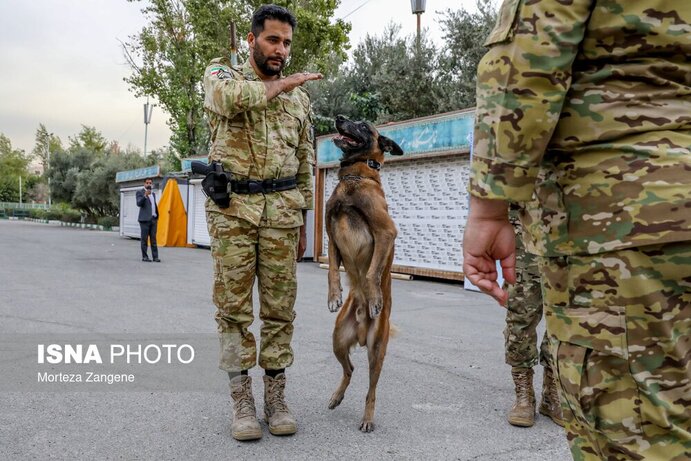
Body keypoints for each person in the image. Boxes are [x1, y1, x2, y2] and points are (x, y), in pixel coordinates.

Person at [463, 1, 690, 459]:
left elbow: (528, 63)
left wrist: (488, 208)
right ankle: (526, 390)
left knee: (633, 437)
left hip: (621, 221)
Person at [202, 4, 322, 441]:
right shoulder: (222, 76)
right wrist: (285, 82)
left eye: (287, 42)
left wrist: (305, 216)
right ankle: (242, 401)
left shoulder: (299, 100)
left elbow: (306, 160)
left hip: (282, 214)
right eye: (273, 40)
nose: (281, 50)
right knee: (233, 311)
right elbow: (228, 101)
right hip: (233, 211)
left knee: (279, 312)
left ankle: (276, 397)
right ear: (251, 40)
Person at [503, 204, 562, 428]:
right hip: (525, 227)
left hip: (570, 227)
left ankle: (552, 393)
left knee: (563, 318)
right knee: (521, 315)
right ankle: (524, 396)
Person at [135, 177, 160, 262]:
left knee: (153, 239)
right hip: (144, 220)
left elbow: (153, 206)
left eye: (150, 183)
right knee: (144, 239)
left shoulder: (153, 194)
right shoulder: (140, 192)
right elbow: (138, 203)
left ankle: (155, 257)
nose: (149, 184)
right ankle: (145, 257)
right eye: (147, 183)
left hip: (153, 219)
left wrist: (156, 216)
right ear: (144, 184)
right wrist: (145, 195)